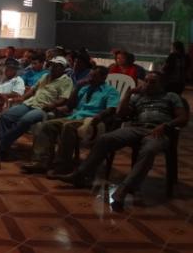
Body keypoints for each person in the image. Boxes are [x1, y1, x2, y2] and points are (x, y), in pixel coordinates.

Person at [57, 72, 188, 210]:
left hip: (158, 131)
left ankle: (124, 189)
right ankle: (80, 174)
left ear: (161, 84)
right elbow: (120, 114)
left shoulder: (171, 97)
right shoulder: (138, 97)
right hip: (136, 128)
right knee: (105, 139)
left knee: (149, 150)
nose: (148, 84)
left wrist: (166, 125)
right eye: (146, 81)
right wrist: (128, 93)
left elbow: (183, 118)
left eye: (153, 82)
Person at [21, 66, 120, 175]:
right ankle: (41, 161)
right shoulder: (85, 88)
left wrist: (98, 116)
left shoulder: (110, 91)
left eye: (94, 76)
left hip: (93, 121)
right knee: (49, 125)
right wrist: (77, 87)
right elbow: (70, 106)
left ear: (103, 77)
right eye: (90, 75)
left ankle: (62, 166)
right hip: (75, 117)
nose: (90, 78)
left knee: (68, 126)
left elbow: (111, 109)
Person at [0, 56, 73, 159]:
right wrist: (22, 98)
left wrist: (53, 105)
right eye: (52, 65)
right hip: (30, 103)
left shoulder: (66, 81)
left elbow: (64, 99)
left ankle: (0, 147)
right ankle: (4, 149)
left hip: (43, 108)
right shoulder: (45, 76)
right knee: (5, 116)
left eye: (56, 66)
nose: (52, 68)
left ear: (62, 68)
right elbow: (33, 90)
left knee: (25, 120)